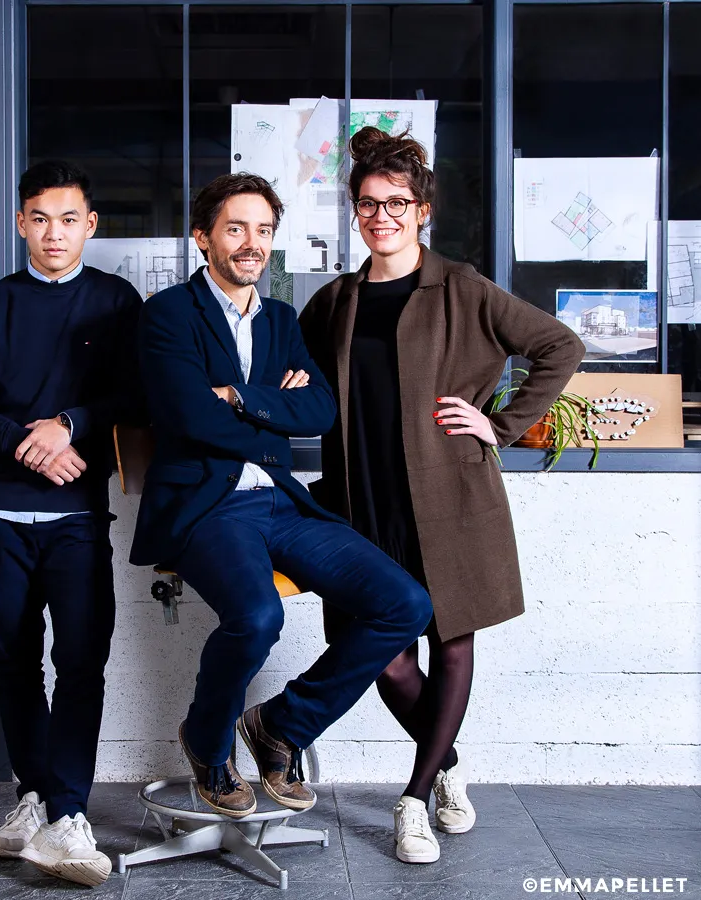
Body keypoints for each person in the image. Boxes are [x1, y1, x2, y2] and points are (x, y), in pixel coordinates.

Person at [299, 127, 585, 864]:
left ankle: (415, 797)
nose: (382, 216)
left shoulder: (461, 287)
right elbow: (294, 376)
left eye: (397, 202)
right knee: (381, 652)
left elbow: (560, 346)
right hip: (362, 499)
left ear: (422, 210)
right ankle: (448, 762)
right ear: (355, 211)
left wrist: (501, 424)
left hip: (448, 494)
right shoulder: (336, 300)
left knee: (451, 640)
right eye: (369, 203)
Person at [130, 172, 433, 821]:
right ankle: (207, 742)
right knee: (258, 616)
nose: (252, 243)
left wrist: (239, 397)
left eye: (263, 230)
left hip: (281, 500)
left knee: (404, 603)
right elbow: (188, 417)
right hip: (207, 506)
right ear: (203, 237)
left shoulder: (281, 320)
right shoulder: (168, 314)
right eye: (236, 228)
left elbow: (320, 410)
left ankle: (281, 725)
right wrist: (273, 408)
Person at [0, 160, 143, 887]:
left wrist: (69, 424)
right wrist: (28, 444)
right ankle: (33, 797)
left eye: (68, 220)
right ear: (21, 223)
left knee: (81, 663)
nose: (54, 233)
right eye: (40, 219)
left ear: (91, 225)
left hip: (77, 517)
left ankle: (69, 812)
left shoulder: (116, 301)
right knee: (14, 661)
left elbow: (138, 394)